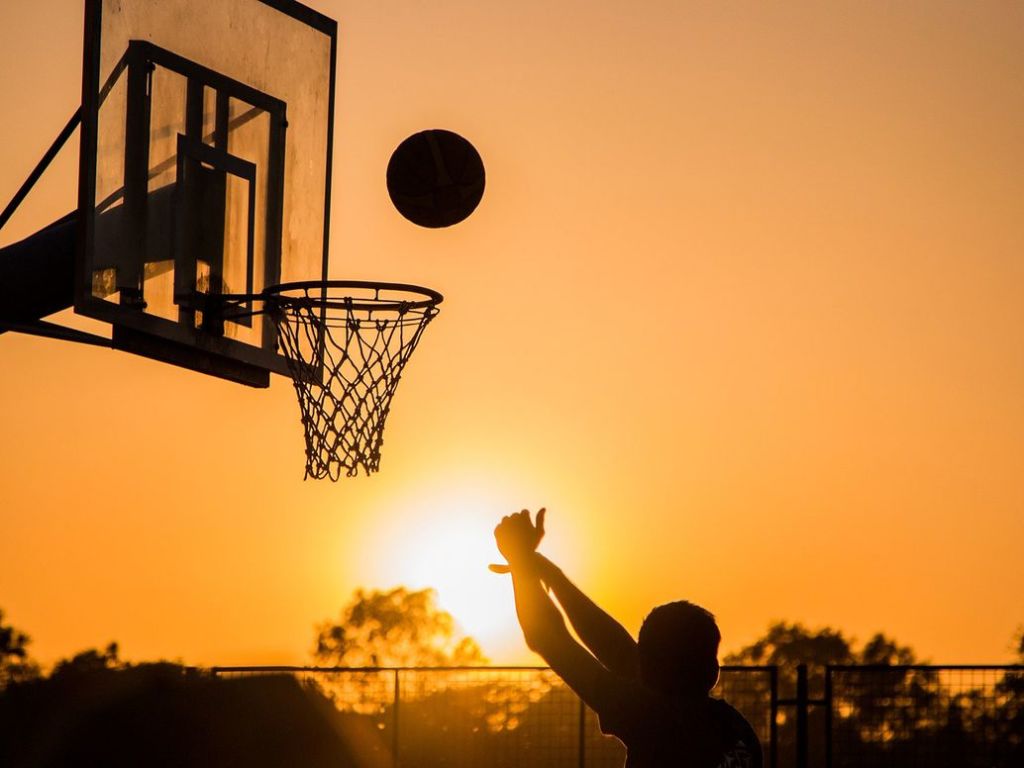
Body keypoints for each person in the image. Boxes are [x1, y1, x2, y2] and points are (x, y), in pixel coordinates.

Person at [491, 509, 762, 768]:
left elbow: (547, 638)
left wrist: (520, 560)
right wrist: (546, 571)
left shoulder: (649, 716)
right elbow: (616, 649)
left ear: (649, 668)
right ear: (712, 670)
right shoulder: (735, 728)